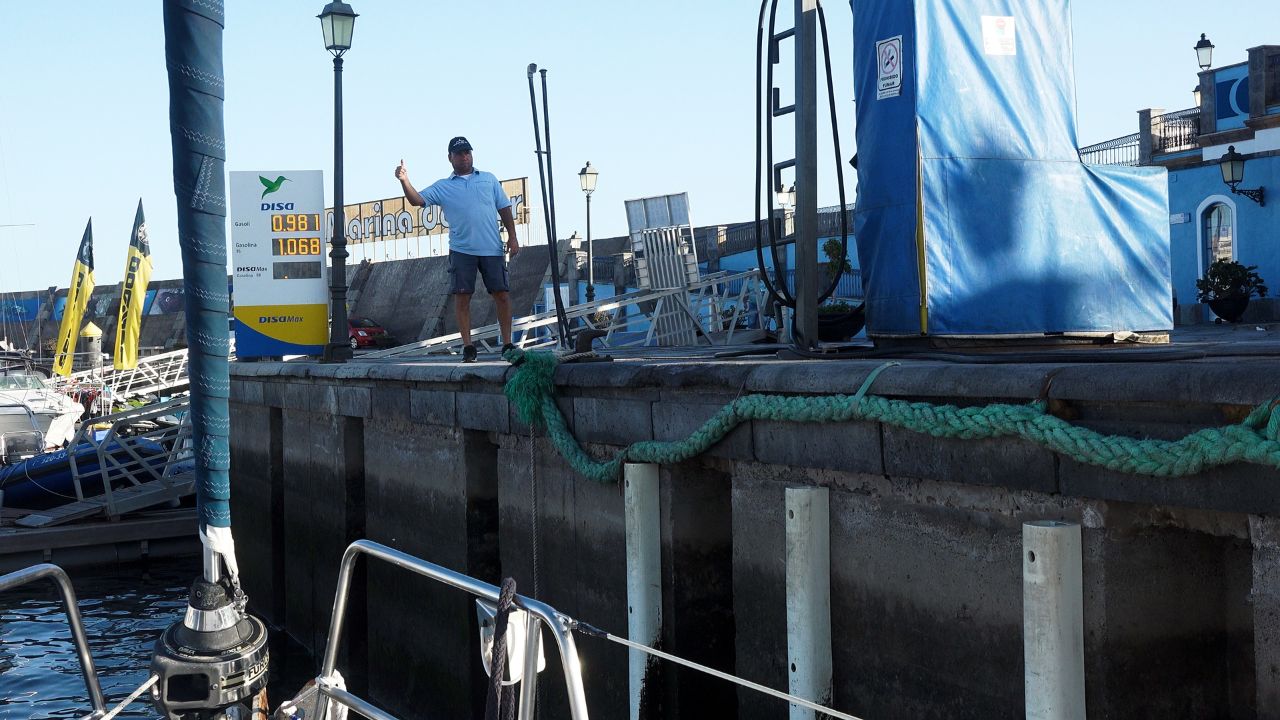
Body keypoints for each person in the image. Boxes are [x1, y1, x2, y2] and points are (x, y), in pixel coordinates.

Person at [396, 136, 520, 363]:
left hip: (492, 248)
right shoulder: (444, 186)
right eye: (460, 153)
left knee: (502, 295)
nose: (465, 156)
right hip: (462, 250)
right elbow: (416, 200)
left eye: (468, 152)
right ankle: (468, 346)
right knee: (462, 297)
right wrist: (404, 180)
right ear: (450, 158)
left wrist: (513, 237)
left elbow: (504, 208)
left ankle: (508, 343)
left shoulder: (489, 180)